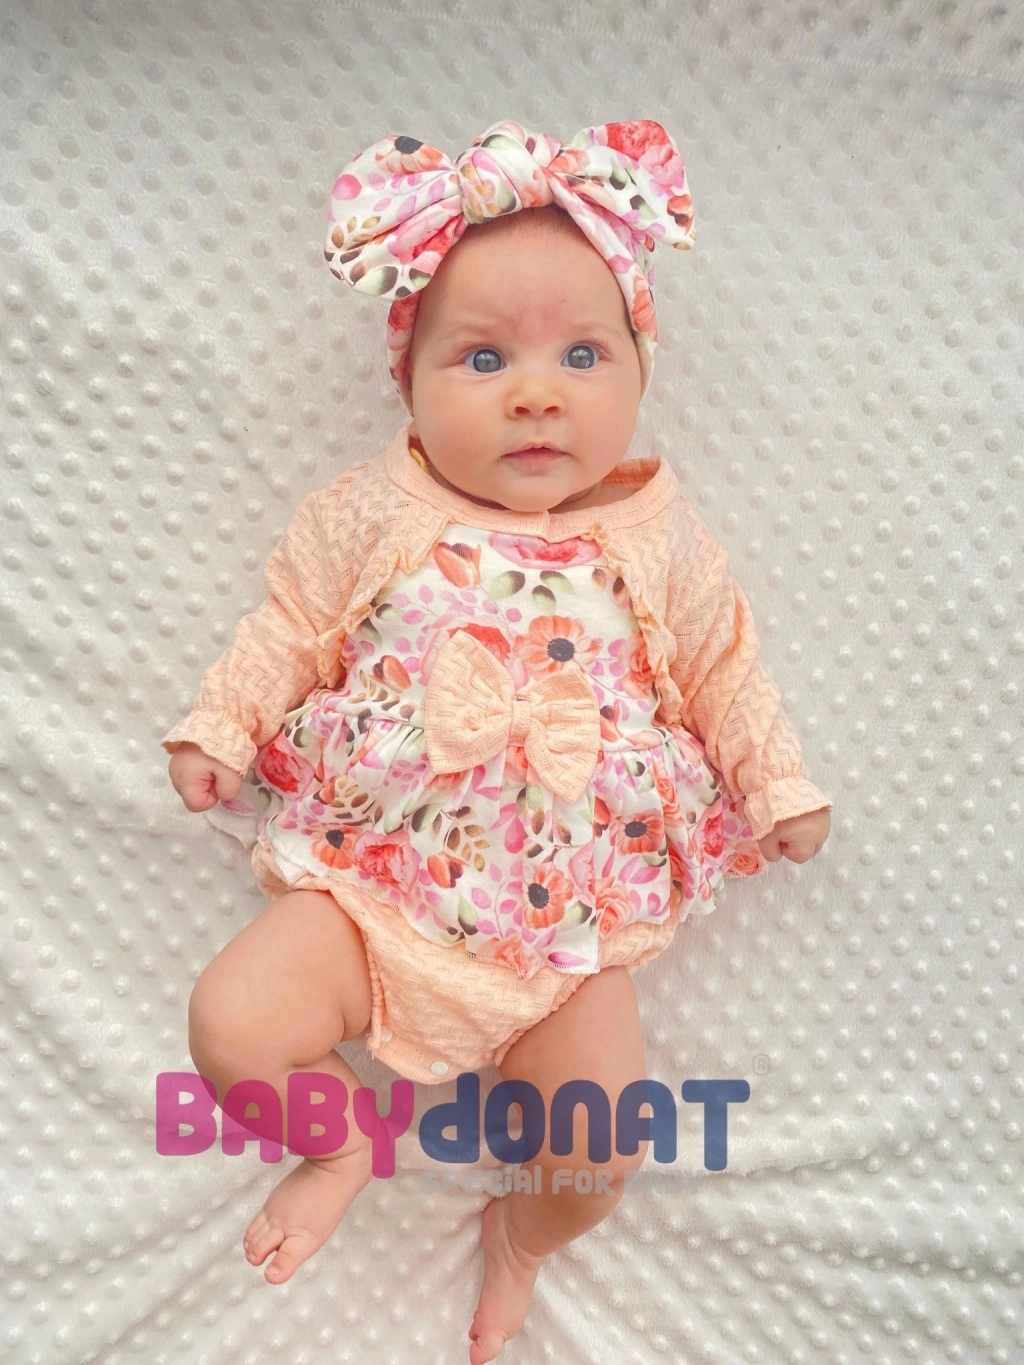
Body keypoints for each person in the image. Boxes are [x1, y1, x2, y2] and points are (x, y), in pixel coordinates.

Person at [162, 119, 832, 1363]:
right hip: (369, 898)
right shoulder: (373, 511)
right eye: (482, 358)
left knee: (600, 1148)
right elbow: (290, 626)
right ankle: (339, 1144)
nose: (536, 393)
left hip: (568, 933)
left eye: (582, 354)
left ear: (639, 370)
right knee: (232, 1024)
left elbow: (722, 667)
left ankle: (522, 1238)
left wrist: (775, 780)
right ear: (407, 382)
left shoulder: (656, 535)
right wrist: (222, 724)